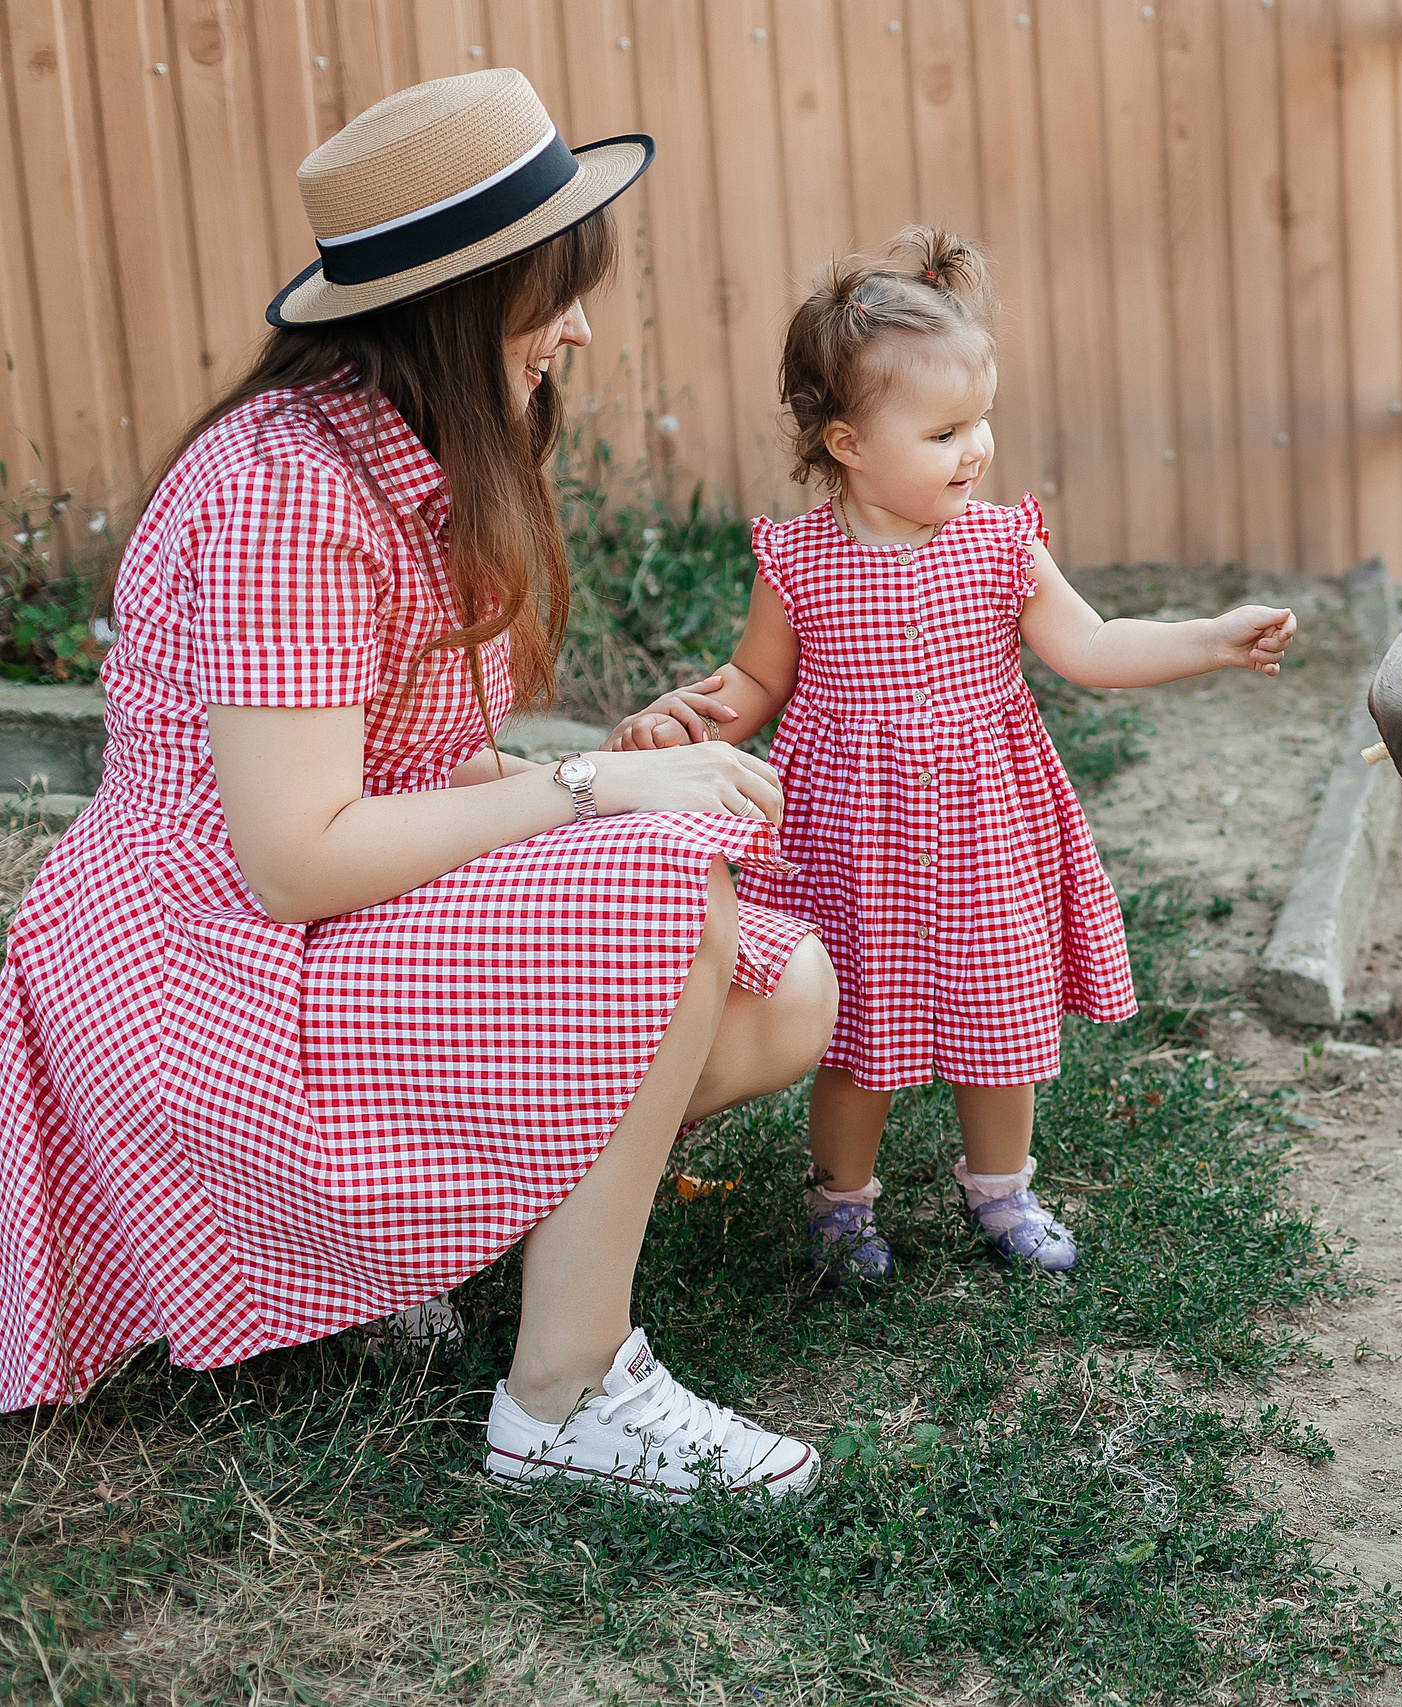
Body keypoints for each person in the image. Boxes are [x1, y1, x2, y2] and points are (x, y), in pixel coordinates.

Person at [0, 71, 838, 1503]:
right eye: (552, 294)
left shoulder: (413, 450)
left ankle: (399, 1247)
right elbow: (294, 858)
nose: (579, 328)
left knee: (788, 990)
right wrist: (586, 794)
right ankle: (565, 1397)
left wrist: (598, 774)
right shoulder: (285, 492)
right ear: (458, 305)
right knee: (667, 892)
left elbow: (416, 760)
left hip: (309, 931)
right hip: (206, 971)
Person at [608, 229, 1295, 1285]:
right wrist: (685, 727)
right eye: (942, 432)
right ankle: (841, 1202)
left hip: (987, 825)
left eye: (980, 420)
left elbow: (1092, 645)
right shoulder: (798, 563)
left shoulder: (1001, 544)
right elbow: (755, 681)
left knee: (1001, 1015)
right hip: (853, 839)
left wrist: (1211, 638)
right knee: (858, 1028)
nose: (974, 449)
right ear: (847, 443)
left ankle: (1003, 1188)